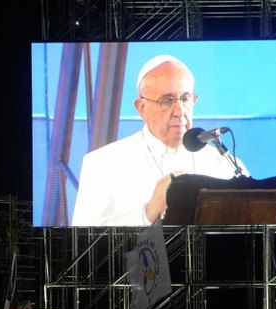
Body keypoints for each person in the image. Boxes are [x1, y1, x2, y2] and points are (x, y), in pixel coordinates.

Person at [71, 54, 250, 226]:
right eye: (167, 100)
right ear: (141, 108)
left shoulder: (225, 163)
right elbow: (84, 243)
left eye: (185, 98)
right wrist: (147, 213)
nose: (180, 112)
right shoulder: (102, 164)